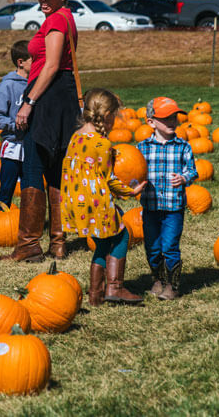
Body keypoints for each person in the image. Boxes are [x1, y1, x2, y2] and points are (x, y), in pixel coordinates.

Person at [2, 0, 81, 263]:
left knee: (34, 166)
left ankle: (28, 245)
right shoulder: (62, 18)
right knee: (55, 168)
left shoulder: (58, 20)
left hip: (48, 98)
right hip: (61, 97)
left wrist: (29, 102)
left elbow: (51, 66)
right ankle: (58, 243)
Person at [60, 88, 147, 306]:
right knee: (121, 235)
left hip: (75, 202)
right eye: (114, 118)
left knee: (102, 243)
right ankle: (115, 287)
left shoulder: (76, 137)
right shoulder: (103, 144)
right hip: (96, 203)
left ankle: (96, 295)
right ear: (107, 117)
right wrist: (131, 191)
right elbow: (109, 179)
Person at [137, 97, 197, 301]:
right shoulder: (142, 148)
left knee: (170, 246)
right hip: (150, 208)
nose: (172, 121)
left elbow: (193, 171)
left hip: (173, 208)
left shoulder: (183, 146)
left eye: (174, 117)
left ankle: (172, 285)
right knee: (152, 246)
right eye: (166, 118)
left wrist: (184, 177)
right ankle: (157, 279)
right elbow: (133, 172)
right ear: (151, 122)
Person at [0, 40, 31, 220]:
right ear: (21, 62)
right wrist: (14, 125)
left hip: (31, 146)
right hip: (11, 146)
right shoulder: (8, 85)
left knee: (29, 187)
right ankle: (0, 218)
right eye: (33, 59)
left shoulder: (37, 85)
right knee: (7, 187)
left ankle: (28, 223)